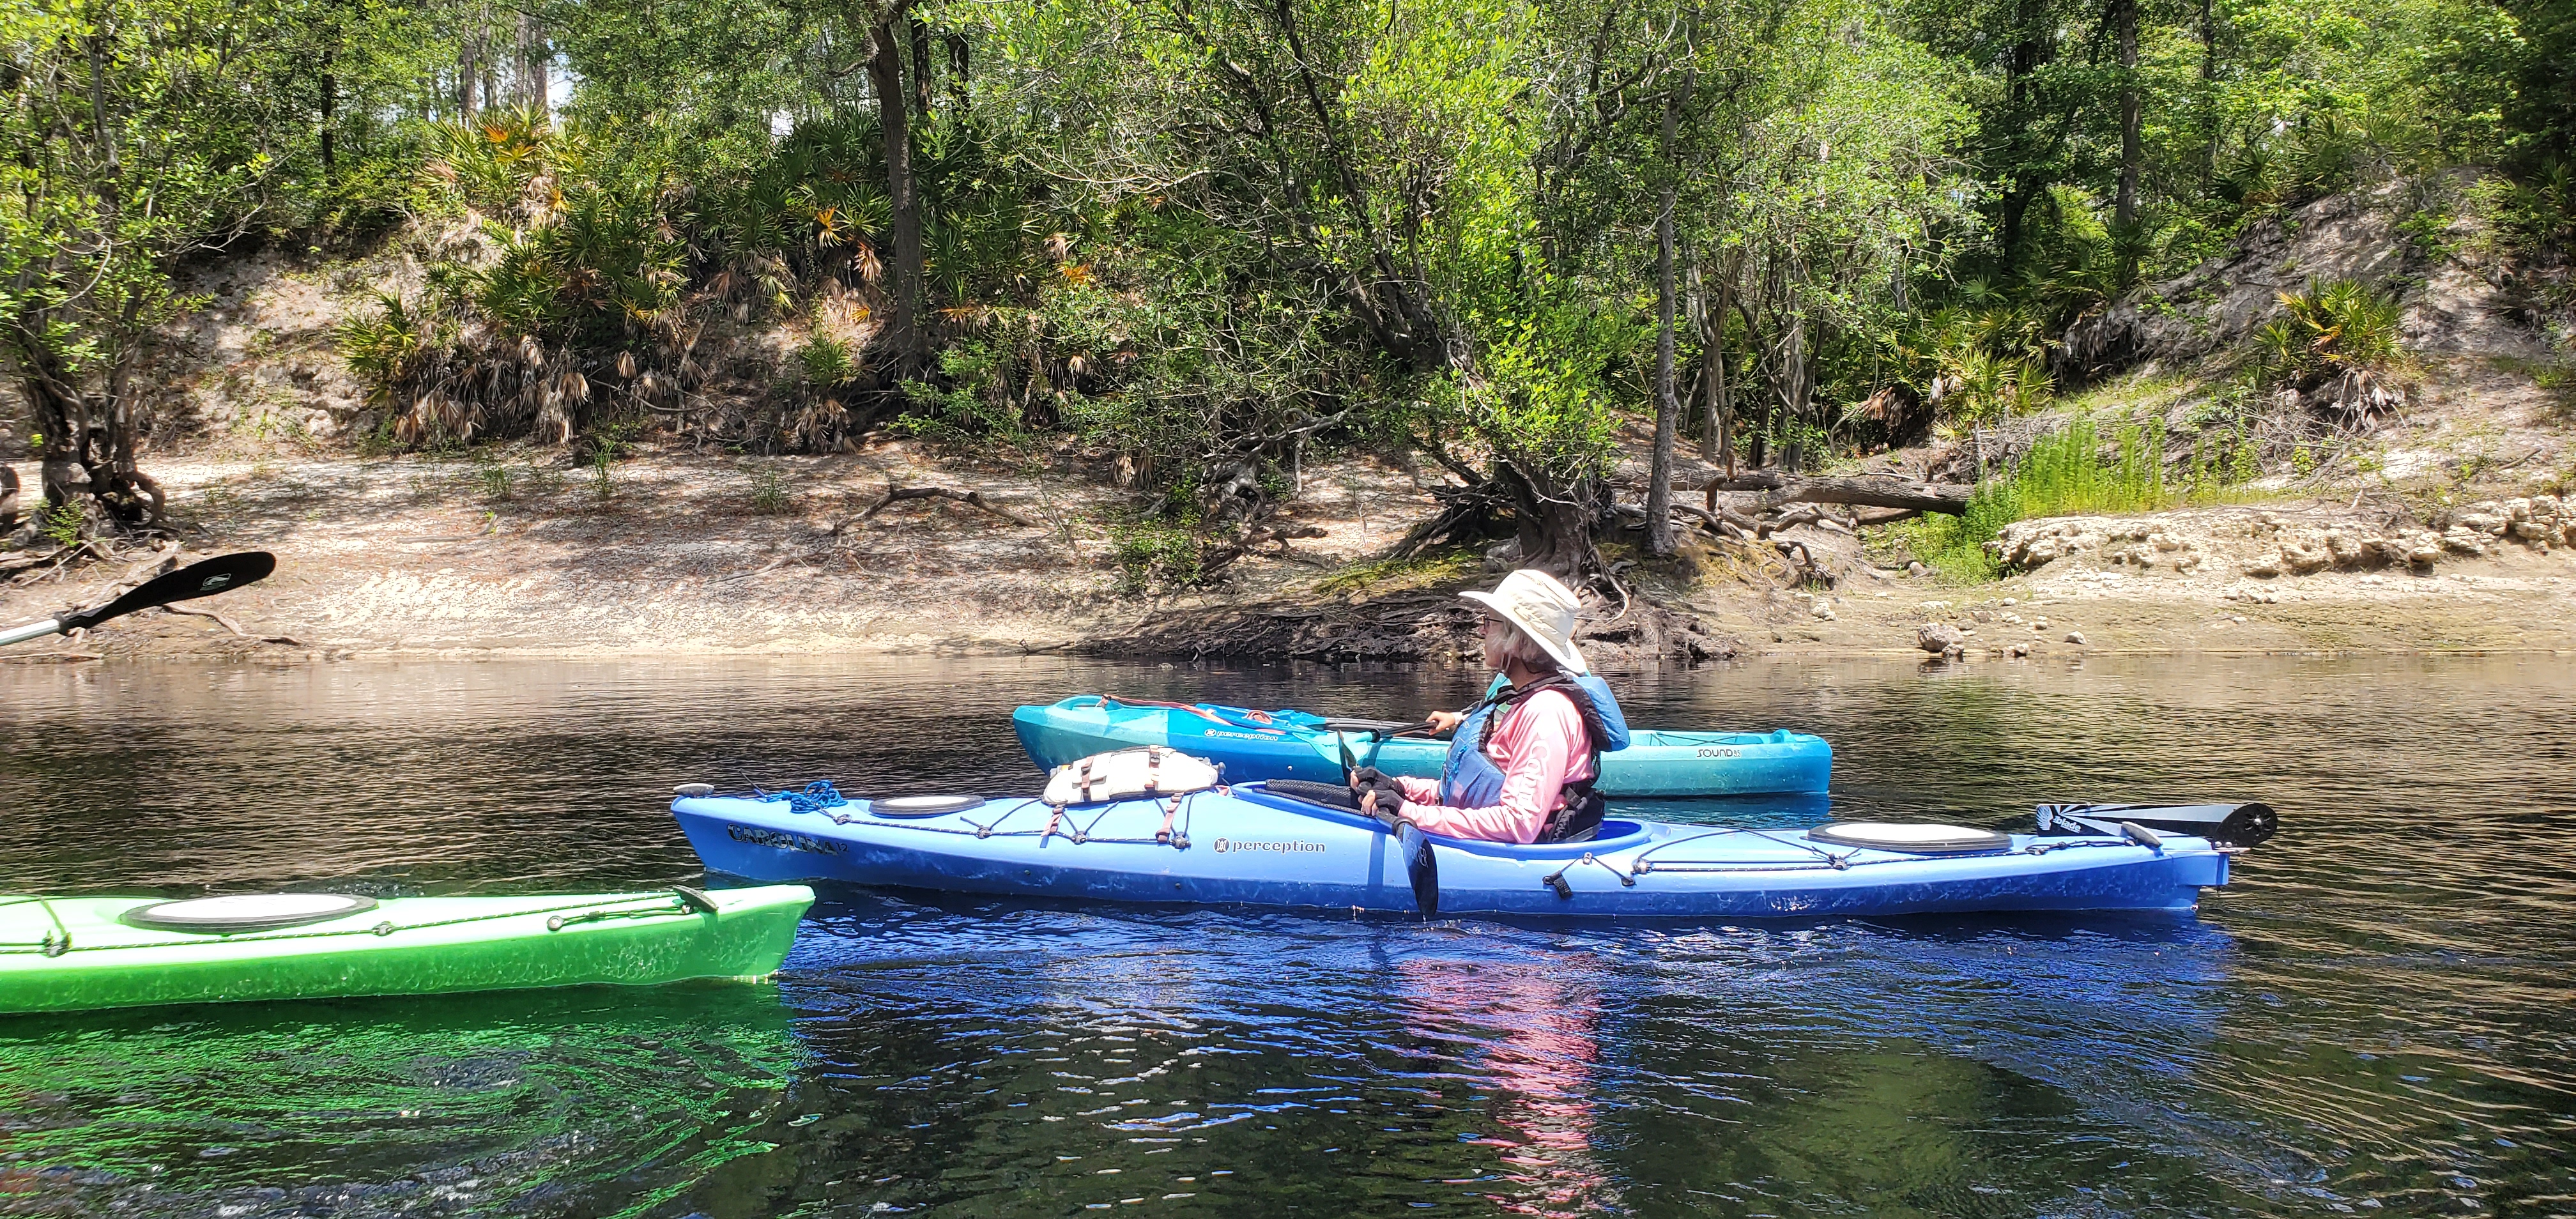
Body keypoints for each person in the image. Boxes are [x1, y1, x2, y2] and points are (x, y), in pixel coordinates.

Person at [1346, 569, 1628, 844]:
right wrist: (1400, 787)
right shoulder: (1520, 701)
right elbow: (1471, 793)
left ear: (1514, 638)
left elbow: (1518, 824)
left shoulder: (1546, 712)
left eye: (1489, 622)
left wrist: (1408, 812)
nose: (1481, 630)